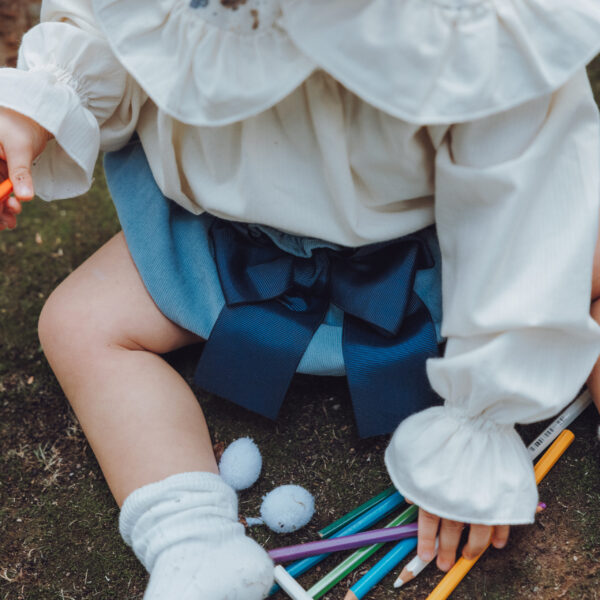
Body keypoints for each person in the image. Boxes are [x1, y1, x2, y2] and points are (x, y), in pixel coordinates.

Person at [1, 0, 600, 597]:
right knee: (79, 323)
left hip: (445, 259)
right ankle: (192, 542)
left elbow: (531, 203)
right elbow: (111, 28)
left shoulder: (466, 24)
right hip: (228, 245)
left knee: (572, 250)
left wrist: (482, 423)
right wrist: (40, 103)